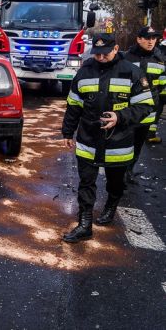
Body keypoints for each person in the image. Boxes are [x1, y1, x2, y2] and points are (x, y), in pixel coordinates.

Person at [61, 33, 153, 243]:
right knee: (86, 182)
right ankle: (84, 225)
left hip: (118, 142)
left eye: (105, 53)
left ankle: (111, 205)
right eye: (97, 54)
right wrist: (67, 132)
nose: (101, 57)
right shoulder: (84, 72)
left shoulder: (132, 72)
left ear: (116, 49)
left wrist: (120, 117)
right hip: (88, 139)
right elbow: (74, 105)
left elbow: (145, 106)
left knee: (116, 182)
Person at [123, 27, 165, 183]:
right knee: (124, 144)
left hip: (148, 111)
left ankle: (129, 171)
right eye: (147, 38)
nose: (151, 41)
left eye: (154, 38)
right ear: (139, 39)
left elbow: (162, 86)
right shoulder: (126, 58)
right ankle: (120, 174)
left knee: (138, 145)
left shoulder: (160, 60)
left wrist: (156, 102)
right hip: (127, 110)